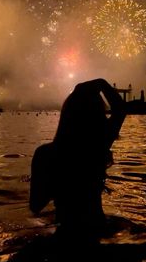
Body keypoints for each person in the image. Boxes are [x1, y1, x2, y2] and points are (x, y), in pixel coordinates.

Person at [29, 78, 126, 241]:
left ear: (66, 112)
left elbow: (36, 206)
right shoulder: (98, 145)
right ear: (98, 114)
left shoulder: (45, 154)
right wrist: (102, 83)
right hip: (97, 229)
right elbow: (121, 110)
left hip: (65, 233)